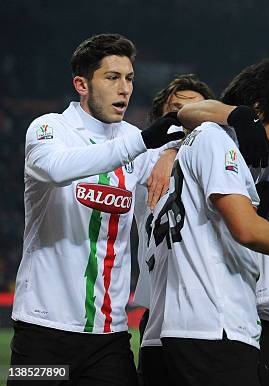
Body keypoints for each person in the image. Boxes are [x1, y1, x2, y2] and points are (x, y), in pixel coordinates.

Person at [144, 60, 269, 386]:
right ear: (256, 111)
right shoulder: (217, 141)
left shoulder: (193, 146)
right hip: (214, 330)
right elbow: (246, 229)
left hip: (165, 329)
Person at [10, 33, 183, 386]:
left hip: (110, 336)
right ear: (81, 84)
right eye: (112, 77)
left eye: (130, 78)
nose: (124, 89)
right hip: (44, 332)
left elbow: (194, 152)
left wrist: (170, 151)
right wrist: (147, 143)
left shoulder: (137, 141)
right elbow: (56, 169)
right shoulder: (48, 129)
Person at [132, 73, 214, 386]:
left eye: (197, 111)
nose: (186, 118)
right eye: (177, 110)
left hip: (207, 318)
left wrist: (176, 150)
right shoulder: (145, 160)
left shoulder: (221, 161)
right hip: (158, 316)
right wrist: (169, 150)